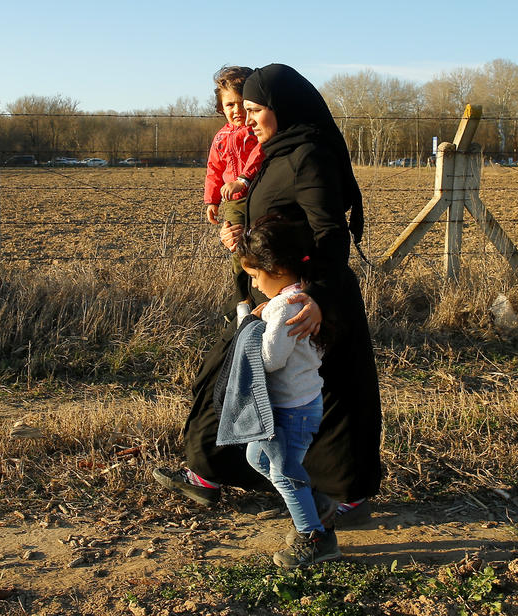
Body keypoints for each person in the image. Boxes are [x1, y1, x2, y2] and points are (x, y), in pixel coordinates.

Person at [154, 62, 382, 526]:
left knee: (335, 395)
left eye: (257, 109)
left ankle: (347, 496)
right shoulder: (277, 152)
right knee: (241, 375)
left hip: (314, 298)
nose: (249, 118)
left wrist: (316, 297)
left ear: (283, 108)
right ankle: (212, 471)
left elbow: (330, 235)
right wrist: (238, 233)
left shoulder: (308, 155)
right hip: (276, 291)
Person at [217, 213, 339, 567]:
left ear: (277, 269)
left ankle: (314, 538)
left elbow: (270, 359)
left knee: (285, 472)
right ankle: (317, 505)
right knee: (258, 458)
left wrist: (250, 325)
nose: (254, 285)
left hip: (292, 409)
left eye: (255, 276)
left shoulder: (287, 306)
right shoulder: (289, 299)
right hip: (291, 403)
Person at [203, 65, 261, 302]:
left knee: (259, 244)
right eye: (229, 104)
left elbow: (261, 154)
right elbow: (214, 170)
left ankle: (262, 293)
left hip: (256, 194)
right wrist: (212, 200)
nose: (236, 110)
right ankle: (242, 297)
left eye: (241, 103)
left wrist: (242, 179)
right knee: (237, 247)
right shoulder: (220, 137)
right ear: (220, 107)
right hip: (234, 203)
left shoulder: (256, 131)